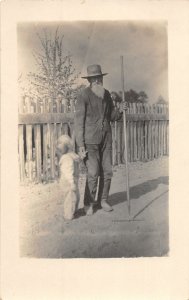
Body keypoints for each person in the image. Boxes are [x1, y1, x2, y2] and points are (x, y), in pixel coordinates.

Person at [74, 64, 127, 216]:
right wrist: (81, 145)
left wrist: (120, 110)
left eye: (99, 78)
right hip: (90, 141)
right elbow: (79, 122)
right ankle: (89, 203)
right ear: (89, 80)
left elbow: (112, 116)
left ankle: (103, 200)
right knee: (93, 173)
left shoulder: (107, 94)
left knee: (108, 171)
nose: (98, 81)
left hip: (106, 139)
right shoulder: (83, 95)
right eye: (94, 78)